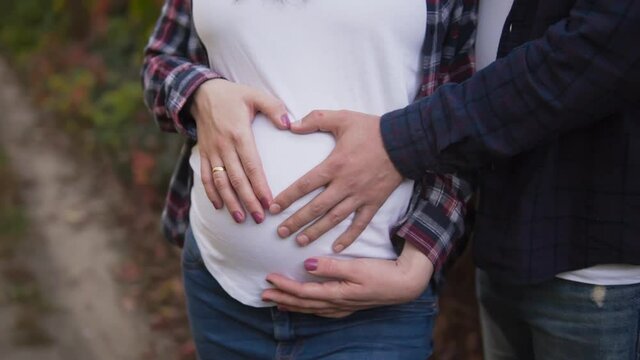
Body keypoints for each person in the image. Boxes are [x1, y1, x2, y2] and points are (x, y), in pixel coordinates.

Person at [262, 0, 640, 359]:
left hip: (598, 263)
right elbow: (455, 63)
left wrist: (397, 143)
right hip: (511, 237)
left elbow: (588, 57)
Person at [141, 0, 477, 358]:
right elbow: (160, 61)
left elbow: (467, 121)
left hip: (374, 312)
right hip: (220, 292)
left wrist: (419, 261)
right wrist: (199, 93)